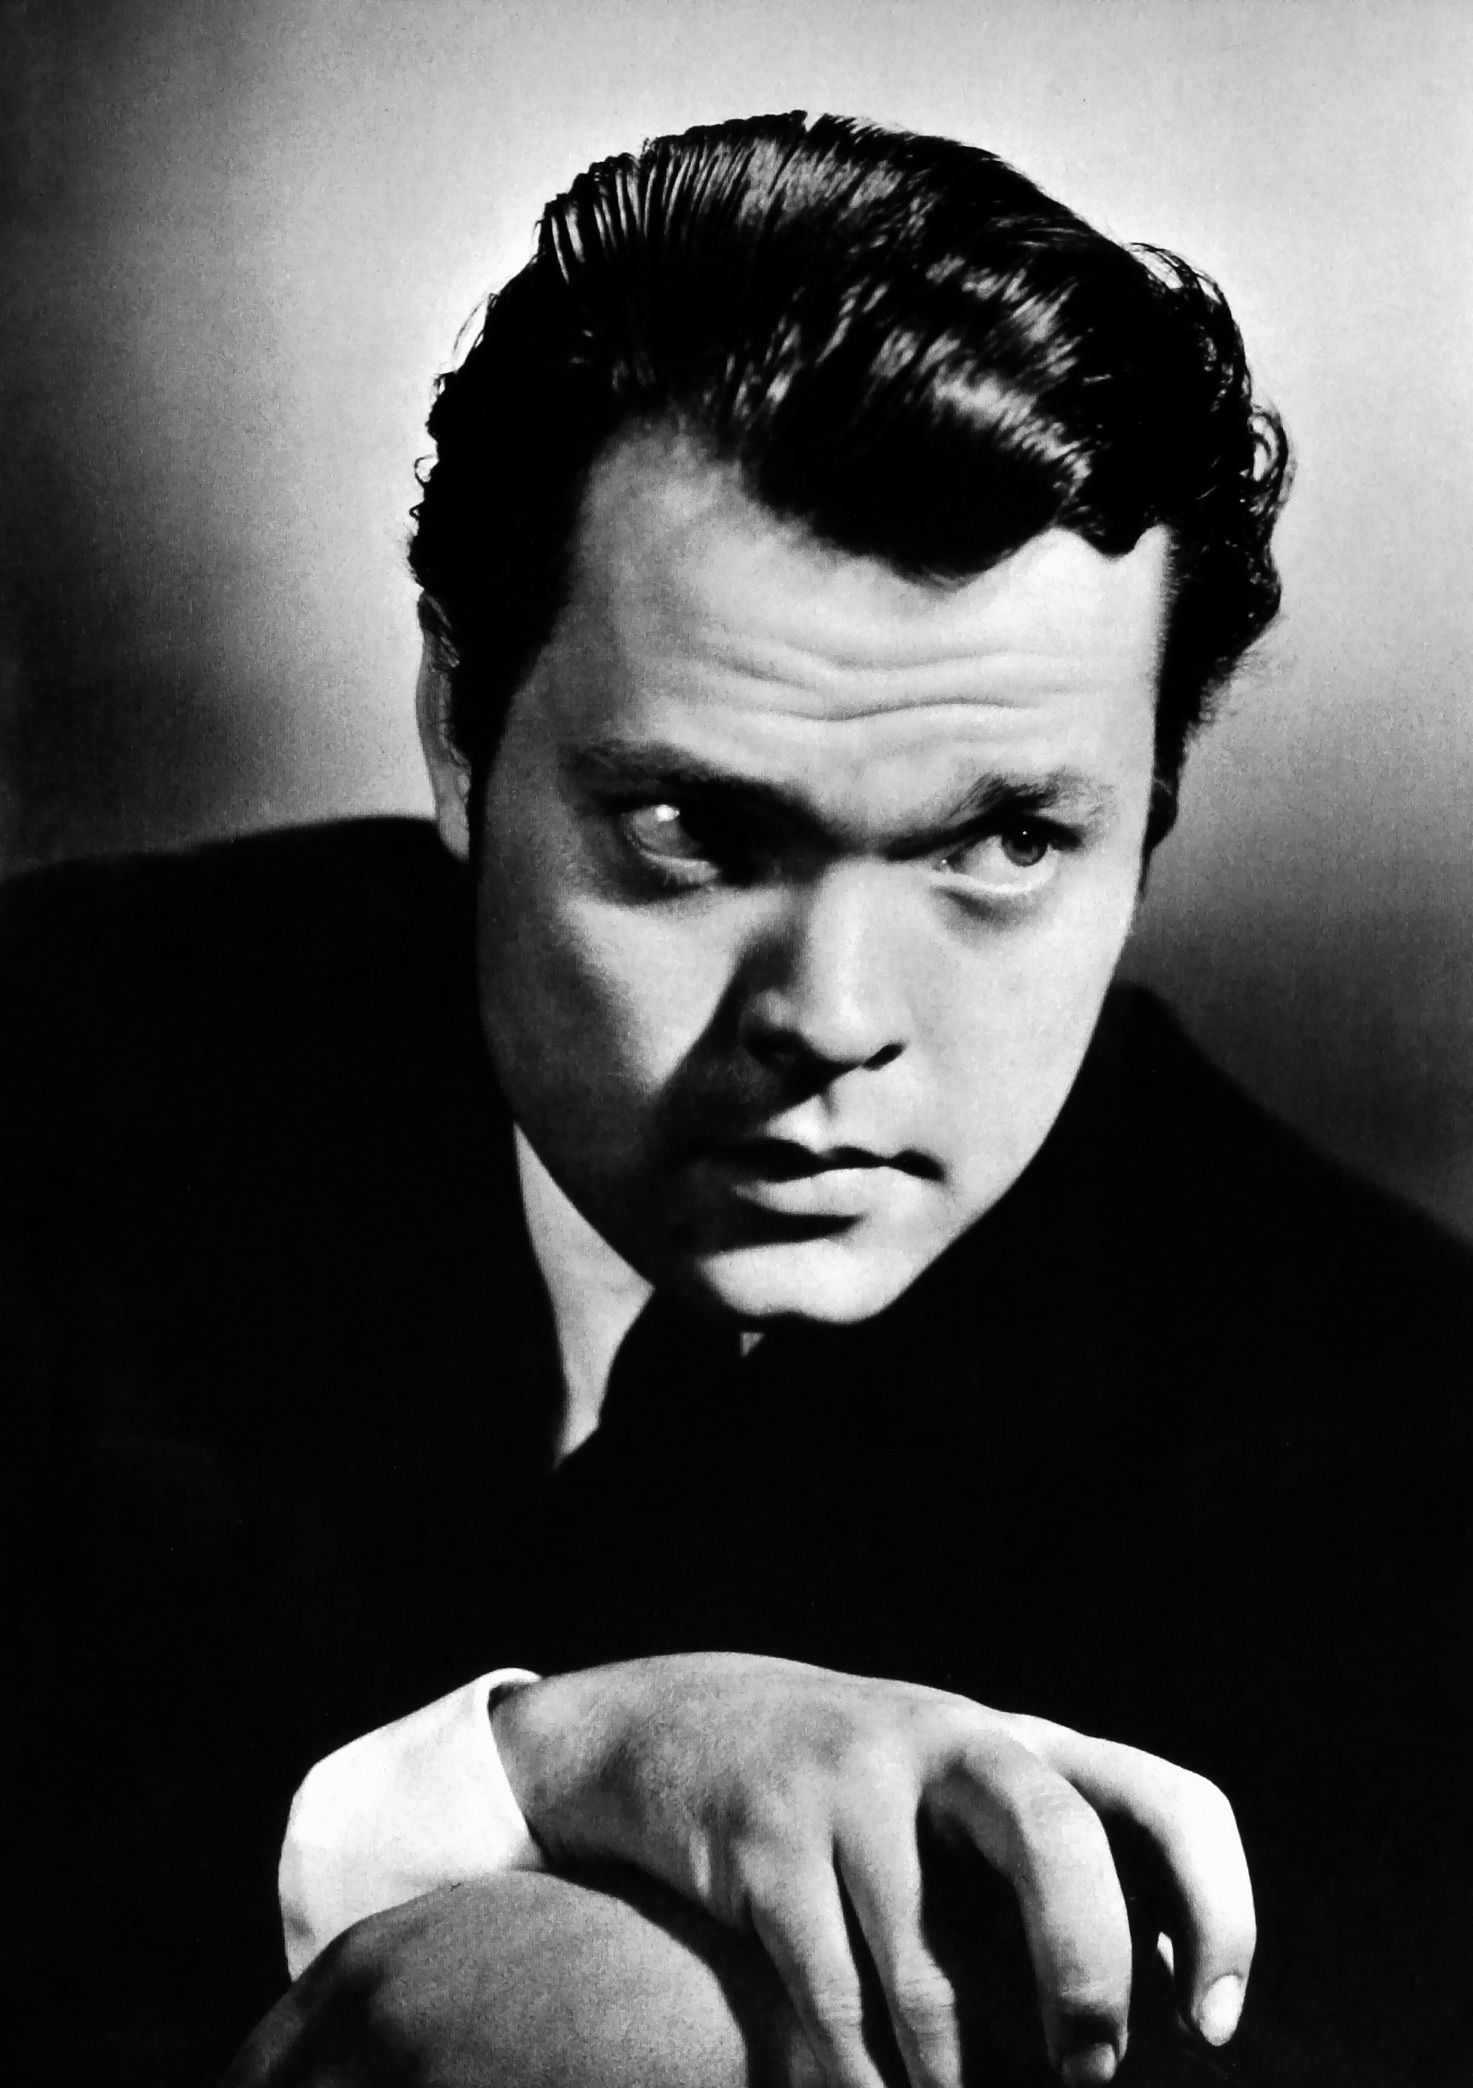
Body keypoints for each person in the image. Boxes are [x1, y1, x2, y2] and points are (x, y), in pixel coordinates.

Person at [4, 114, 1469, 2088]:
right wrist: (507, 1782)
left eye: (1005, 845)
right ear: (458, 737)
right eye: (693, 831)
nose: (833, 1020)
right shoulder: (56, 1086)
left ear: (1147, 824)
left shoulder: (1397, 1439)